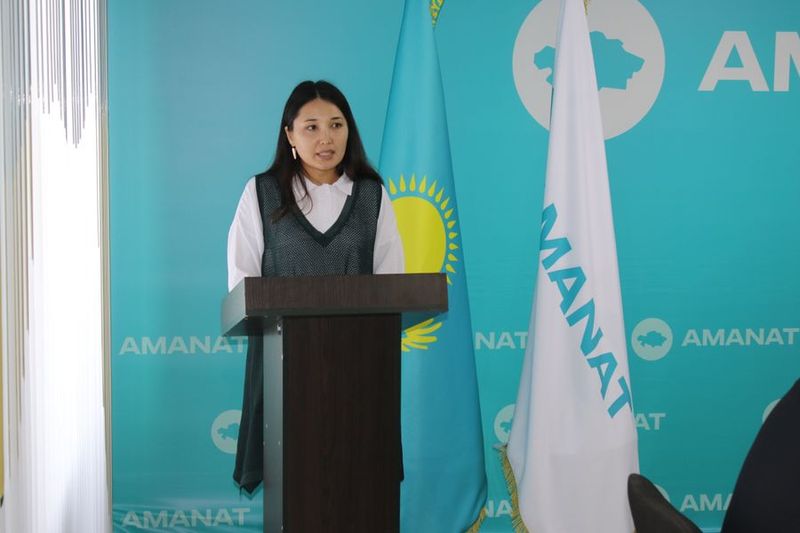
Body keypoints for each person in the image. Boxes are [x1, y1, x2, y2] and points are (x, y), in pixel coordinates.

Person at [227, 80, 404, 492]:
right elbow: (242, 287)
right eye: (311, 127)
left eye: (336, 125)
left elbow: (392, 285)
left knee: (359, 487)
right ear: (289, 134)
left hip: (360, 370)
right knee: (296, 487)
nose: (326, 138)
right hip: (283, 372)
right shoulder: (262, 193)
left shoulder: (372, 195)